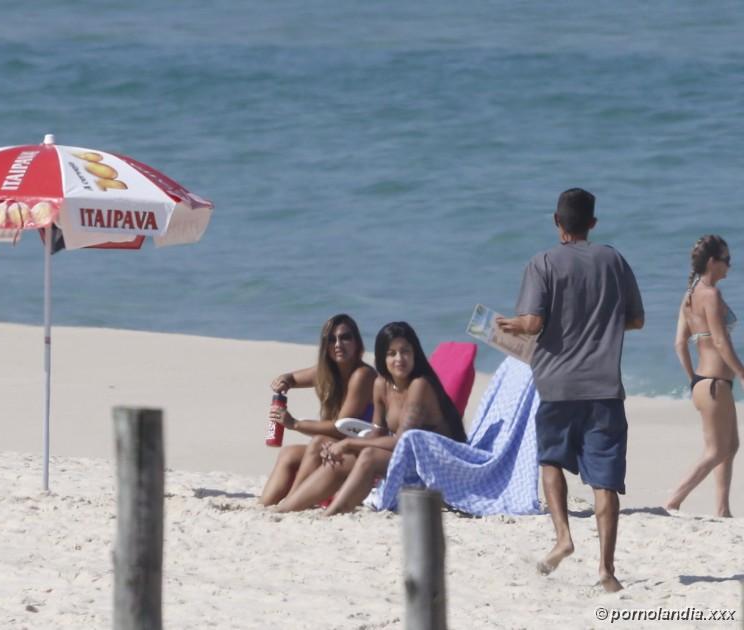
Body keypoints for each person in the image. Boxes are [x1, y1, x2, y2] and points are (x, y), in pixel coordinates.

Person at [497, 188, 644, 593]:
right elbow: (636, 320)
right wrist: (603, 322)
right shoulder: (614, 260)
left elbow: (531, 323)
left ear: (556, 222)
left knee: (550, 462)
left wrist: (508, 325)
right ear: (592, 224)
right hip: (604, 386)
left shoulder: (542, 262)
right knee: (605, 480)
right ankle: (606, 570)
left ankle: (563, 536)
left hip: (557, 384)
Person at [273, 321, 465, 514]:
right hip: (406, 459)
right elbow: (377, 432)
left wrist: (348, 443)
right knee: (341, 458)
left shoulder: (420, 385)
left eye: (405, 351)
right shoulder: (381, 384)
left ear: (415, 353)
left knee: (368, 455)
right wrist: (339, 447)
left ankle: (333, 511)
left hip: (435, 464)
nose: (399, 359)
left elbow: (402, 442)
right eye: (392, 353)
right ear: (382, 357)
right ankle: (287, 508)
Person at [258, 314, 376, 506]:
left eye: (345, 337)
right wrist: (284, 380)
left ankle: (292, 502)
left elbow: (341, 427)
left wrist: (295, 424)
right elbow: (293, 378)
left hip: (362, 452)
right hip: (338, 447)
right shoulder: (329, 371)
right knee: (289, 454)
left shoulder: (363, 375)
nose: (338, 344)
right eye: (331, 340)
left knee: (318, 441)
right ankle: (264, 506)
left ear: (357, 342)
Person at [666, 235, 741, 517]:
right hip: (715, 384)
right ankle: (673, 500)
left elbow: (678, 344)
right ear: (712, 262)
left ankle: (722, 509)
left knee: (730, 446)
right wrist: (742, 373)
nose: (729, 267)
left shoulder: (688, 297)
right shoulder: (710, 295)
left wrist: (694, 380)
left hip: (704, 383)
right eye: (726, 261)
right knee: (716, 450)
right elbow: (721, 342)